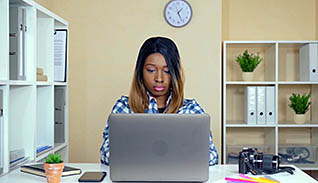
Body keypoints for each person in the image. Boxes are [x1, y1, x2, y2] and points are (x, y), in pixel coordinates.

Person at [100, 36, 218, 166]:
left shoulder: (191, 110)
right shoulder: (124, 108)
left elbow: (211, 156)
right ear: (140, 72)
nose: (159, 78)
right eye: (151, 70)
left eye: (167, 71)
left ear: (175, 74)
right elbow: (107, 155)